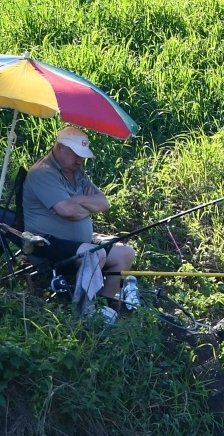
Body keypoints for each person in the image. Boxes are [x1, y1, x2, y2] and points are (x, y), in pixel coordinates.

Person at [21, 126, 137, 309]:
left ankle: (104, 305)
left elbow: (104, 203)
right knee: (94, 254)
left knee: (126, 253)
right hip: (47, 244)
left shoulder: (76, 172)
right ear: (60, 148)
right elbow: (67, 211)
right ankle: (84, 310)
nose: (80, 160)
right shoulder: (43, 173)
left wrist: (77, 200)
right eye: (76, 155)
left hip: (79, 245)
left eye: (82, 156)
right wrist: (86, 205)